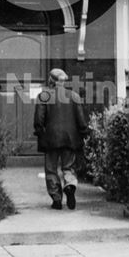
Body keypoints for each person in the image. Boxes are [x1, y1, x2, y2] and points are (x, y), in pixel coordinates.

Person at [33, 67, 87, 210]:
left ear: (51, 80)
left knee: (51, 169)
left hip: (50, 139)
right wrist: (82, 133)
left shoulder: (44, 96)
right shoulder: (74, 96)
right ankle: (69, 185)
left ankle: (56, 199)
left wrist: (40, 132)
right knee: (68, 167)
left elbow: (39, 119)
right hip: (70, 139)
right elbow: (81, 121)